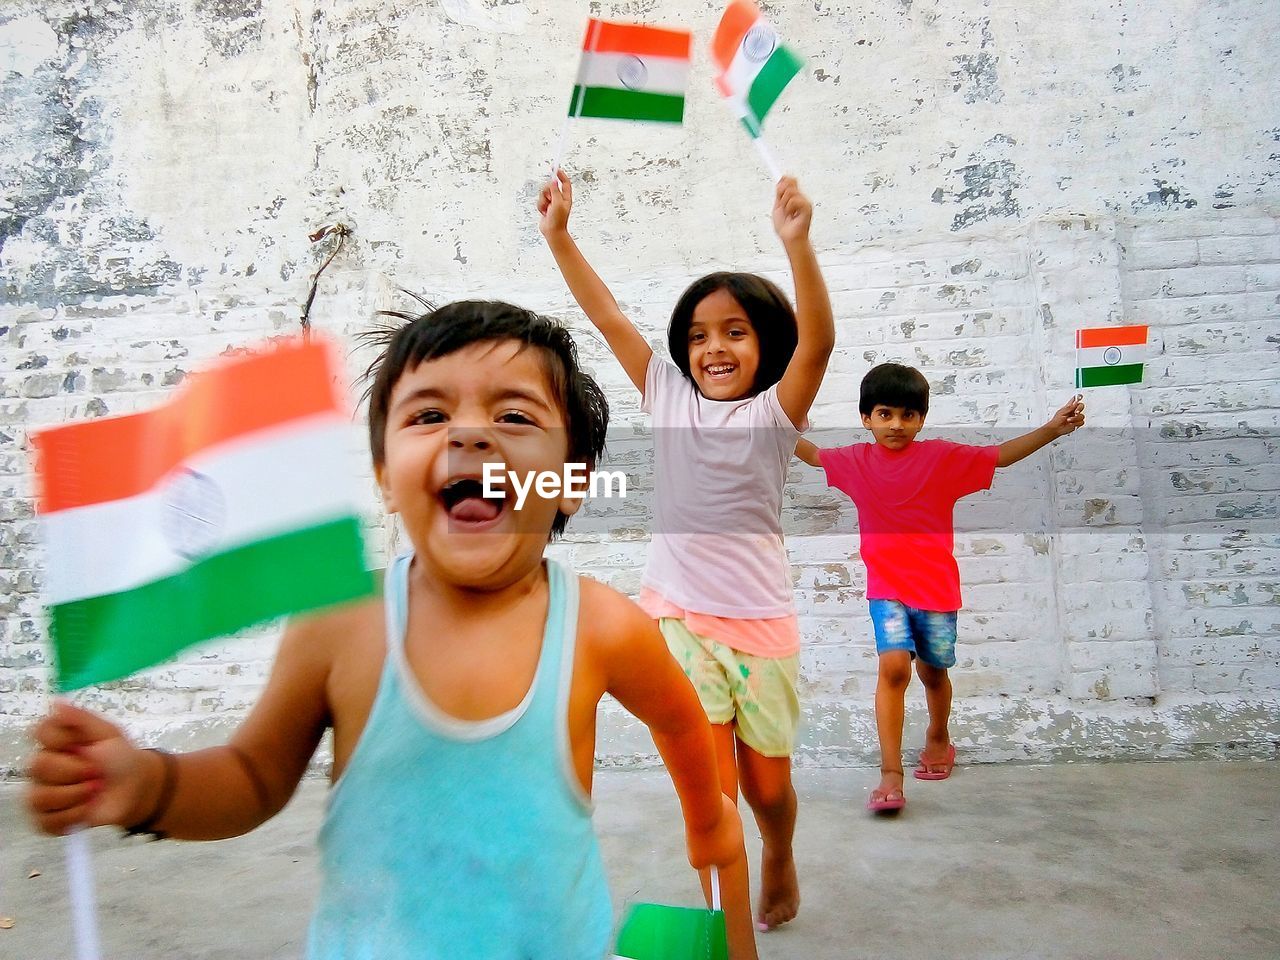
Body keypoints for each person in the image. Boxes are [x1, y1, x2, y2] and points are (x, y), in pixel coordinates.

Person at [26, 300, 758, 960]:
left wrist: (707, 817)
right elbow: (252, 777)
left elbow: (681, 720)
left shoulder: (603, 626)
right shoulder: (342, 624)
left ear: (571, 478)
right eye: (429, 415)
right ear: (384, 474)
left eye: (514, 416)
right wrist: (147, 784)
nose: (470, 434)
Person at [538, 171, 834, 930]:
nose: (714, 347)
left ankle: (782, 854)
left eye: (734, 331)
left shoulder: (775, 415)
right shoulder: (667, 395)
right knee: (713, 791)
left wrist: (797, 245)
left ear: (766, 344)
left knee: (767, 788)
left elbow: (822, 341)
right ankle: (725, 924)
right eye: (699, 335)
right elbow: (605, 317)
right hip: (681, 622)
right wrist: (561, 237)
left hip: (762, 629)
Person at [794, 362, 1085, 812]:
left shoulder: (942, 459)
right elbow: (810, 453)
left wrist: (1051, 429)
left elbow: (999, 455)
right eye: (885, 414)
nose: (896, 424)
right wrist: (765, 419)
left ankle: (938, 735)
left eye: (908, 415)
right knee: (894, 669)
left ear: (922, 419)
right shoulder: (854, 462)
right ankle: (890, 773)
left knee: (933, 672)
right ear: (866, 418)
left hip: (936, 590)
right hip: (885, 588)